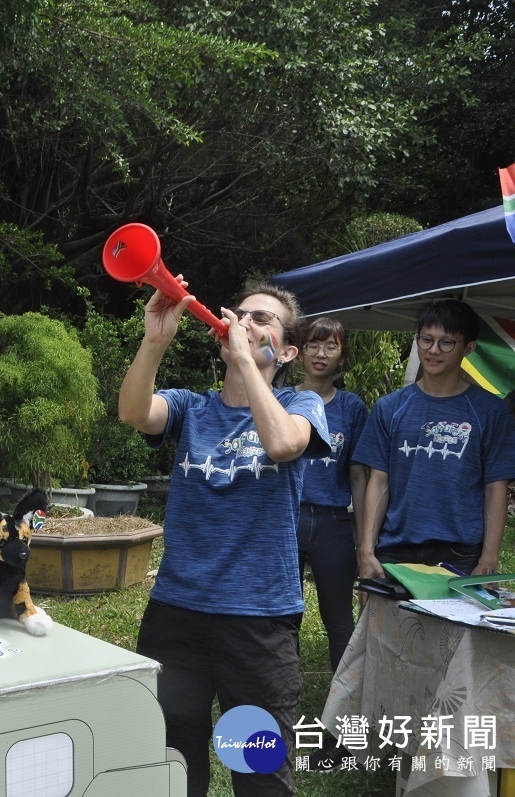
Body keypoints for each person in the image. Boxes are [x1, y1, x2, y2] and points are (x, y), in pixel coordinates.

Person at [119, 280, 331, 797]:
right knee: (171, 758)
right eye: (240, 314)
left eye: (262, 320)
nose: (243, 322)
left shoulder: (301, 403)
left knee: (257, 771)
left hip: (258, 623)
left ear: (286, 351)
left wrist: (247, 362)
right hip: (177, 613)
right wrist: (155, 341)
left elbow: (282, 444)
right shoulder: (192, 408)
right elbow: (133, 412)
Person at [355, 299, 515, 577]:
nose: (433, 350)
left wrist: (488, 558)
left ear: (468, 348)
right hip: (395, 549)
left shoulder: (491, 411)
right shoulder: (390, 407)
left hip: (461, 553)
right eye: (426, 339)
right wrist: (366, 551)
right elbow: (379, 482)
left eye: (446, 343)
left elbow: (495, 487)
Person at [278, 317, 367, 674]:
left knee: (338, 618)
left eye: (331, 346)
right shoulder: (280, 399)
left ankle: (343, 706)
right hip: (286, 518)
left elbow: (359, 475)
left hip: (333, 523)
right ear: (299, 353)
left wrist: (363, 541)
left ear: (342, 356)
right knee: (284, 616)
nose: (321, 353)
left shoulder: (352, 408)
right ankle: (282, 693)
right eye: (313, 344)